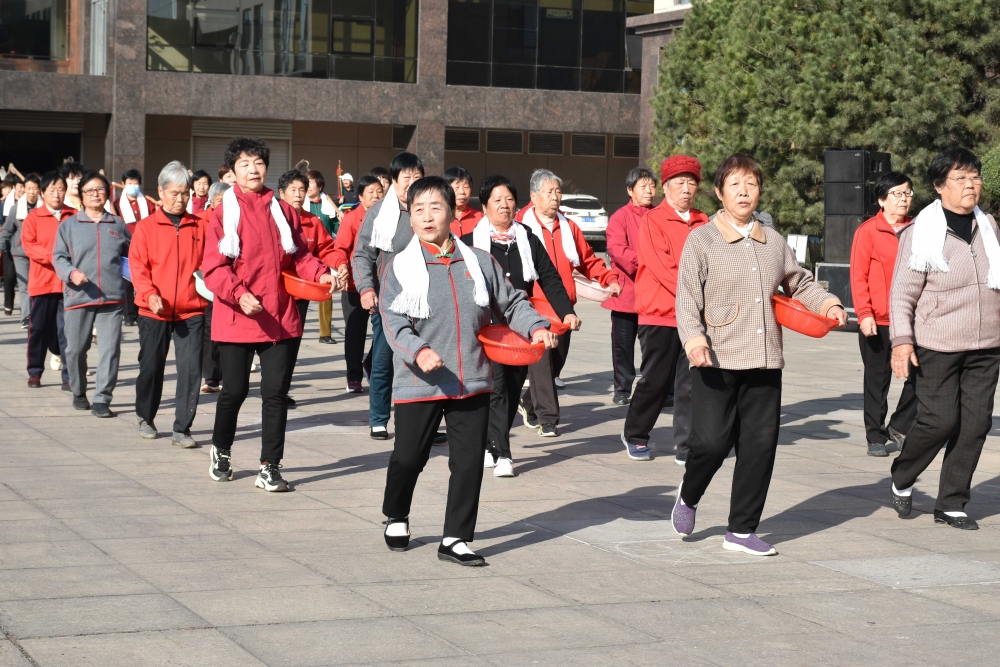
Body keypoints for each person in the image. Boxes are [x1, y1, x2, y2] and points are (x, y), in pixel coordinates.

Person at [672, 154, 847, 556]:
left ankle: (741, 529)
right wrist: (694, 340)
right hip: (715, 357)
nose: (744, 191)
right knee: (712, 444)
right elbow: (686, 299)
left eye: (751, 184)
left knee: (759, 445)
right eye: (735, 184)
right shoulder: (702, 240)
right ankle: (690, 494)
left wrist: (828, 304)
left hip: (765, 358)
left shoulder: (774, 242)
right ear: (719, 192)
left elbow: (799, 283)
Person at [379, 176, 556, 565]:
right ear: (410, 218)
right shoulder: (400, 266)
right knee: (409, 457)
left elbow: (511, 304)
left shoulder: (477, 260)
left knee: (469, 461)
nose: (427, 217)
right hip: (420, 380)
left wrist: (538, 326)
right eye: (419, 209)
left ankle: (456, 537)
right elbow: (392, 320)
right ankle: (396, 513)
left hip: (472, 378)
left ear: (452, 213)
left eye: (435, 208)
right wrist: (418, 351)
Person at [202, 137, 337, 491]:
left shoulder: (284, 211)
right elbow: (214, 269)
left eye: (258, 162)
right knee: (234, 391)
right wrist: (239, 294)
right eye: (244, 164)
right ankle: (221, 449)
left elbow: (301, 257)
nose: (252, 169)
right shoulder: (222, 213)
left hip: (280, 318)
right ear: (233, 171)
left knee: (275, 394)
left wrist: (321, 272)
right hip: (238, 318)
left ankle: (270, 466)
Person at [888, 147, 1000, 531]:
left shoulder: (989, 228)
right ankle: (903, 474)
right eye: (960, 178)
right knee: (939, 421)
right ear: (939, 186)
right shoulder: (922, 231)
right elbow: (902, 291)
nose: (971, 185)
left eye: (975, 177)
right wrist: (902, 341)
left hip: (986, 345)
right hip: (935, 343)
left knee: (975, 424)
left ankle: (952, 502)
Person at [463, 175, 576, 477]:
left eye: (509, 199)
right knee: (497, 387)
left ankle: (489, 444)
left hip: (519, 321)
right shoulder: (470, 243)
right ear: (484, 207)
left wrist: (566, 312)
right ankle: (503, 453)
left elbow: (549, 277)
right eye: (496, 200)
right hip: (485, 326)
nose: (504, 205)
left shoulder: (526, 237)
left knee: (512, 388)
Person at [517, 169, 620, 437]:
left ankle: (528, 402)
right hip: (534, 307)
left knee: (555, 365)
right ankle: (548, 419)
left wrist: (608, 277)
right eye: (549, 192)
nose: (555, 197)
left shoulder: (568, 226)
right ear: (533, 196)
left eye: (558, 191)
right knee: (542, 361)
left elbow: (587, 260)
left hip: (563, 309)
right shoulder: (521, 225)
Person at [619, 157, 710, 464]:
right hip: (660, 314)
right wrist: (698, 296)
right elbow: (662, 268)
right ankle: (635, 433)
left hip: (695, 317)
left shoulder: (704, 221)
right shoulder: (653, 221)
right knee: (655, 380)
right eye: (679, 183)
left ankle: (685, 446)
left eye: (691, 183)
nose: (686, 189)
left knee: (690, 384)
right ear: (667, 187)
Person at [128, 162, 207, 446]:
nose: (180, 199)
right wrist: (150, 294)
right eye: (174, 193)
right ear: (160, 192)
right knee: (151, 366)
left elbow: (209, 265)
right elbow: (138, 266)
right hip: (154, 311)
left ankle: (182, 428)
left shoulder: (201, 226)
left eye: (185, 193)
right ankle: (145, 416)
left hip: (192, 310)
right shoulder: (146, 227)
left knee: (191, 371)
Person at [352, 152, 424, 440]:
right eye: (404, 177)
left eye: (416, 176)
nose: (410, 182)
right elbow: (361, 254)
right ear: (393, 181)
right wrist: (367, 289)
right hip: (389, 299)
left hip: (425, 299)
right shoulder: (379, 213)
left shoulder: (429, 208)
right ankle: (379, 418)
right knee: (384, 360)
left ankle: (423, 421)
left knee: (423, 360)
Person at [850, 172, 918, 458]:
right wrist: (864, 313)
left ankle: (899, 426)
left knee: (922, 375)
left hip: (912, 321)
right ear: (882, 199)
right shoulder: (868, 231)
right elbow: (858, 275)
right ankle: (874, 434)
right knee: (877, 380)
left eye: (908, 193)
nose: (904, 199)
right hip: (878, 320)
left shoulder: (919, 230)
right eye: (897, 194)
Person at [52, 171, 129, 418]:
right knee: (75, 350)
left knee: (110, 350)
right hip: (78, 296)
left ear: (107, 194)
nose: (95, 194)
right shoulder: (69, 225)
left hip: (112, 298)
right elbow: (58, 257)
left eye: (100, 189)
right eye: (90, 190)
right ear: (82, 195)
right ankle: (78, 391)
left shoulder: (117, 225)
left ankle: (102, 399)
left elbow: (131, 257)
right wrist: (71, 273)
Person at [604, 167, 656, 406]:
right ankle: (622, 389)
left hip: (655, 295)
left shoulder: (659, 215)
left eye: (652, 186)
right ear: (630, 190)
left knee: (653, 347)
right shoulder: (620, 217)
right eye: (643, 186)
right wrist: (645, 262)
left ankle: (652, 388)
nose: (649, 191)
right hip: (627, 293)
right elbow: (616, 250)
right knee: (622, 346)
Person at [21, 171, 75, 389]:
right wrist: (58, 259)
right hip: (42, 284)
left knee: (67, 331)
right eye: (51, 189)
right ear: (43, 193)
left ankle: (69, 376)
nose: (56, 193)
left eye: (60, 189)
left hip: (68, 285)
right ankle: (35, 372)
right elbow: (29, 246)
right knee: (39, 330)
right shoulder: (34, 217)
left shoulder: (74, 216)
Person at [278, 169, 338, 355]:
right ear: (281, 193)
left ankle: (284, 382)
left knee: (293, 344)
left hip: (300, 292)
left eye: (302, 189)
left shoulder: (313, 221)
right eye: (293, 189)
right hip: (274, 293)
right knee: (275, 346)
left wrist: (338, 265)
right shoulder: (271, 219)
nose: (298, 194)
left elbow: (327, 249)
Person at [332, 174, 384, 392]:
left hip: (383, 284)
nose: (375, 196)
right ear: (360, 196)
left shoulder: (388, 217)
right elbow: (340, 248)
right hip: (355, 285)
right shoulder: (352, 218)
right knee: (356, 332)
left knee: (383, 332)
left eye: (379, 191)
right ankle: (353, 376)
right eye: (370, 192)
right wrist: (341, 266)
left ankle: (370, 363)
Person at [197, 181, 230, 393]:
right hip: (206, 280)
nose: (224, 205)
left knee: (228, 329)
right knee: (209, 328)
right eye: (220, 201)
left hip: (231, 281)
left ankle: (228, 374)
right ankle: (211, 377)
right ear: (212, 201)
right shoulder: (201, 220)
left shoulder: (236, 217)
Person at [116, 169, 157, 327]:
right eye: (129, 183)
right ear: (124, 184)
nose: (133, 186)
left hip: (146, 245)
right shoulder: (117, 204)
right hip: (125, 245)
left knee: (144, 278)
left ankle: (142, 311)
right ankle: (129, 314)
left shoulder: (148, 204)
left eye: (135, 183)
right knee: (127, 280)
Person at [1, 173, 40, 328]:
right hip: (20, 253)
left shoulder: (44, 209)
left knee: (37, 285)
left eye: (34, 188)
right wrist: (3, 248)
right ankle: (26, 316)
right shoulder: (16, 209)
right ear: (24, 189)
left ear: (39, 190)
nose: (31, 192)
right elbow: (6, 231)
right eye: (28, 188)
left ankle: (37, 314)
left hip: (39, 253)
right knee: (25, 286)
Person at [444, 166, 483, 237]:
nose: (462, 192)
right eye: (457, 187)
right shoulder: (441, 216)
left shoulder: (480, 217)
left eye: (466, 187)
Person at [306, 170, 339, 236]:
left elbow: (338, 231)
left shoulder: (330, 206)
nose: (307, 186)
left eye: (310, 183)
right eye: (305, 183)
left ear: (320, 187)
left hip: (326, 245)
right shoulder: (300, 206)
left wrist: (343, 222)